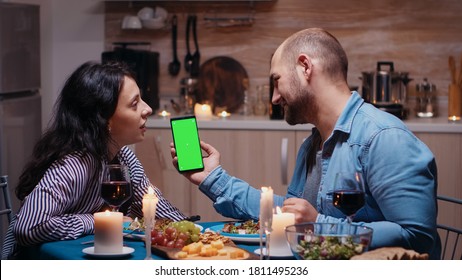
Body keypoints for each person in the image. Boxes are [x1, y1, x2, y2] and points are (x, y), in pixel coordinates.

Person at [170, 28, 441, 259]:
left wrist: (319, 225)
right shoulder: (313, 144)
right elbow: (293, 214)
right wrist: (213, 179)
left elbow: (419, 238)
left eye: (277, 81)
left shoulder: (383, 138)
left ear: (305, 66)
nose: (275, 98)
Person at [1, 61, 186, 259]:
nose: (148, 109)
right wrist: (96, 221)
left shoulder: (125, 158)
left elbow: (157, 210)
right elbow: (28, 227)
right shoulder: (74, 164)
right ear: (104, 119)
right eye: (134, 104)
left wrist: (194, 231)